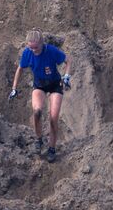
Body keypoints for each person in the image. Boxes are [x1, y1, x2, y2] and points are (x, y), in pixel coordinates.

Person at [9, 30, 70, 162]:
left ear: (42, 43)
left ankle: (52, 148)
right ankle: (39, 139)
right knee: (37, 111)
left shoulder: (51, 51)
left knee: (53, 118)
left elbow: (67, 61)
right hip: (39, 85)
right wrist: (14, 88)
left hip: (55, 85)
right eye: (31, 47)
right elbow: (20, 69)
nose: (33, 50)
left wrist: (66, 76)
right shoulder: (27, 53)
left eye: (36, 47)